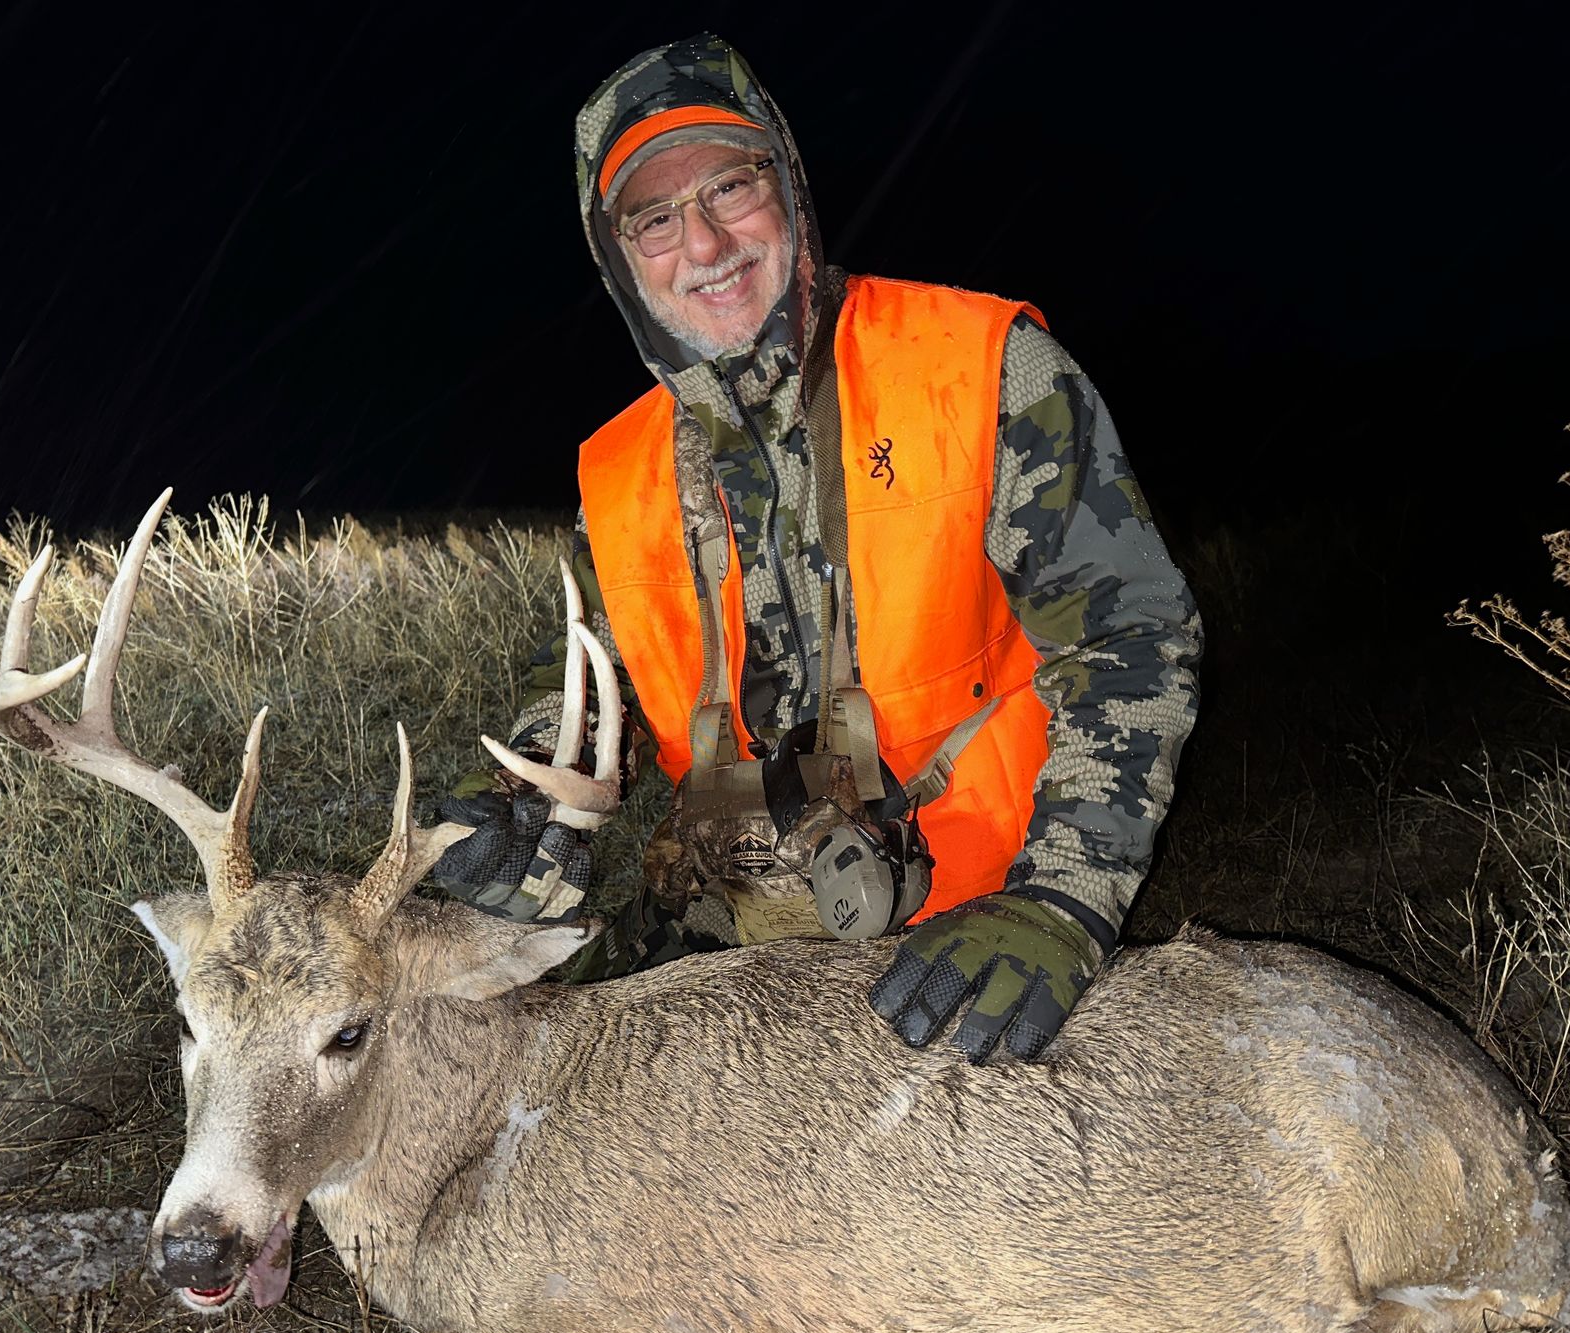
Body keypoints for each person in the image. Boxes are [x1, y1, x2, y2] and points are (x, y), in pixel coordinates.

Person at [435, 33, 1201, 1064]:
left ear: (787, 187)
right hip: (718, 949)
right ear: (616, 257)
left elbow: (1131, 637)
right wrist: (529, 794)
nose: (703, 245)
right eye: (655, 218)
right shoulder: (618, 473)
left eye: (729, 188)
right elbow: (591, 677)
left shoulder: (984, 370)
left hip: (976, 932)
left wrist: (1064, 899)